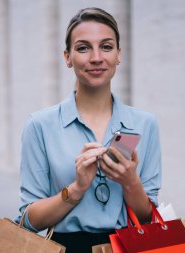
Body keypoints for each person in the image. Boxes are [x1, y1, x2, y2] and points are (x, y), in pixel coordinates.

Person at [16, 7, 162, 253]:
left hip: (127, 247)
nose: (96, 57)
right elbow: (29, 220)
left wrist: (130, 182)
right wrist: (76, 189)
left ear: (118, 55)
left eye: (106, 47)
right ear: (67, 57)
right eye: (83, 48)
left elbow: (148, 219)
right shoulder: (40, 125)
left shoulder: (144, 124)